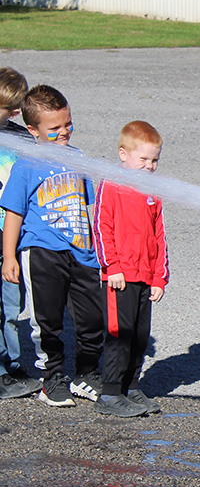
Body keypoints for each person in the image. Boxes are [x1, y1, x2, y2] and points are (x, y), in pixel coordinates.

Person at [0, 84, 104, 407]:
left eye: (68, 124)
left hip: (82, 252)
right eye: (55, 128)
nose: (64, 132)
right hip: (42, 252)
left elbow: (85, 207)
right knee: (47, 321)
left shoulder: (78, 158)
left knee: (92, 319)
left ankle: (87, 374)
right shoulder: (27, 164)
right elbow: (13, 214)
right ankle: (52, 378)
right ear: (32, 130)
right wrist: (8, 257)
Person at [93, 121, 168, 417]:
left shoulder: (154, 191)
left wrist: (159, 277)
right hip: (118, 277)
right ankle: (110, 393)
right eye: (144, 159)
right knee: (119, 333)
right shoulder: (112, 184)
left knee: (139, 334)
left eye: (155, 160)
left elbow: (159, 235)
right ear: (123, 154)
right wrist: (112, 267)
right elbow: (102, 227)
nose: (149, 166)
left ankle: (132, 387)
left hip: (145, 276)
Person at [0, 68, 43, 399]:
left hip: (12, 237)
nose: (15, 114)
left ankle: (11, 366)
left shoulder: (22, 139)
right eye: (8, 108)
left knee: (12, 307)